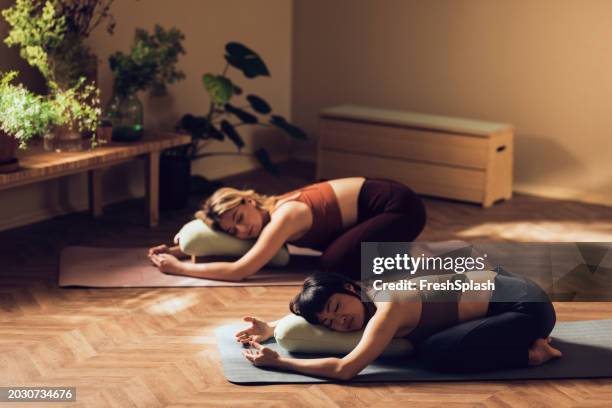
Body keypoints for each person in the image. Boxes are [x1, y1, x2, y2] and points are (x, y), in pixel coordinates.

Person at [236, 271, 561, 380]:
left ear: (349, 289)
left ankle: (534, 355)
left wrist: (282, 363)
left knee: (436, 353)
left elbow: (345, 370)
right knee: (432, 347)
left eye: (336, 308)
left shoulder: (387, 307)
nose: (339, 321)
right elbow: (319, 315)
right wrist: (272, 328)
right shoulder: (368, 293)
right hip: (508, 297)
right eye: (329, 323)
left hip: (527, 308)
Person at [148, 177, 426, 281]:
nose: (242, 231)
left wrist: (179, 269)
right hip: (387, 204)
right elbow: (229, 244)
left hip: (400, 208)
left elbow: (240, 270)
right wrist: (180, 251)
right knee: (334, 260)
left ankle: (411, 263)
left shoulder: (284, 216)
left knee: (334, 265)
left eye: (240, 218)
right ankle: (389, 255)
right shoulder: (266, 212)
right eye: (233, 230)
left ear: (248, 201)